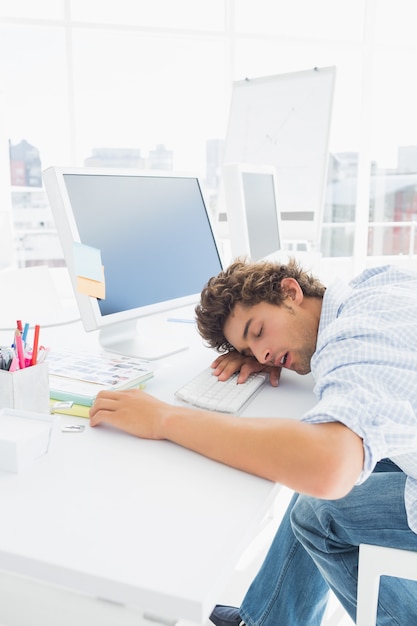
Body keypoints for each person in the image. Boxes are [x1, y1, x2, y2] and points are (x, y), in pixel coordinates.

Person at [89, 258, 417, 625]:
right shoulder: (375, 287)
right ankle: (266, 620)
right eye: (250, 351)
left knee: (318, 511)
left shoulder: (356, 340)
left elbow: (329, 467)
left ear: (291, 291)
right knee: (324, 460)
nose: (260, 355)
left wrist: (165, 420)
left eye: (258, 331)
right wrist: (280, 351)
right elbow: (374, 369)